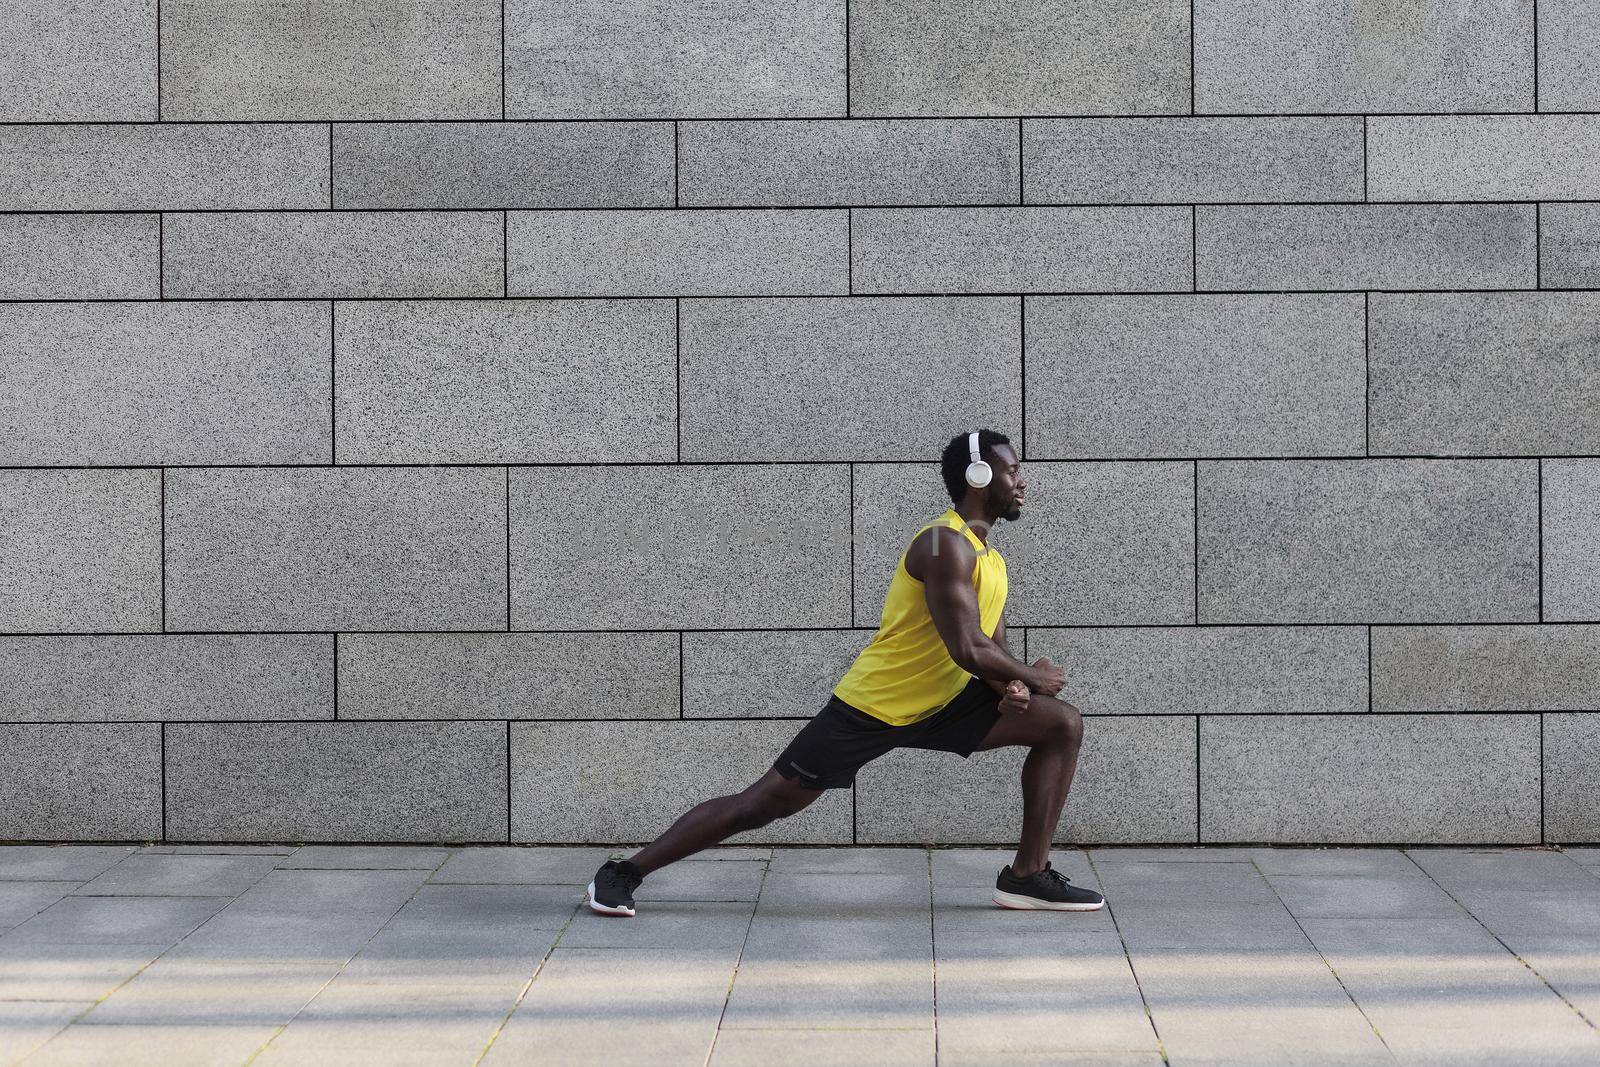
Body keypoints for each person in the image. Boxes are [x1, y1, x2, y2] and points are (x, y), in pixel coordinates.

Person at [585, 428, 1101, 916]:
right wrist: (1032, 677)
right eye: (1012, 470)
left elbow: (989, 647)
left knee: (1061, 723)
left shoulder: (990, 559)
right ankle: (624, 871)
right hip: (873, 706)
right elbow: (966, 646)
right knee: (764, 804)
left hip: (942, 705)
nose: (1023, 480)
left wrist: (1010, 688)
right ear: (979, 478)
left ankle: (1026, 877)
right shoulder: (944, 544)